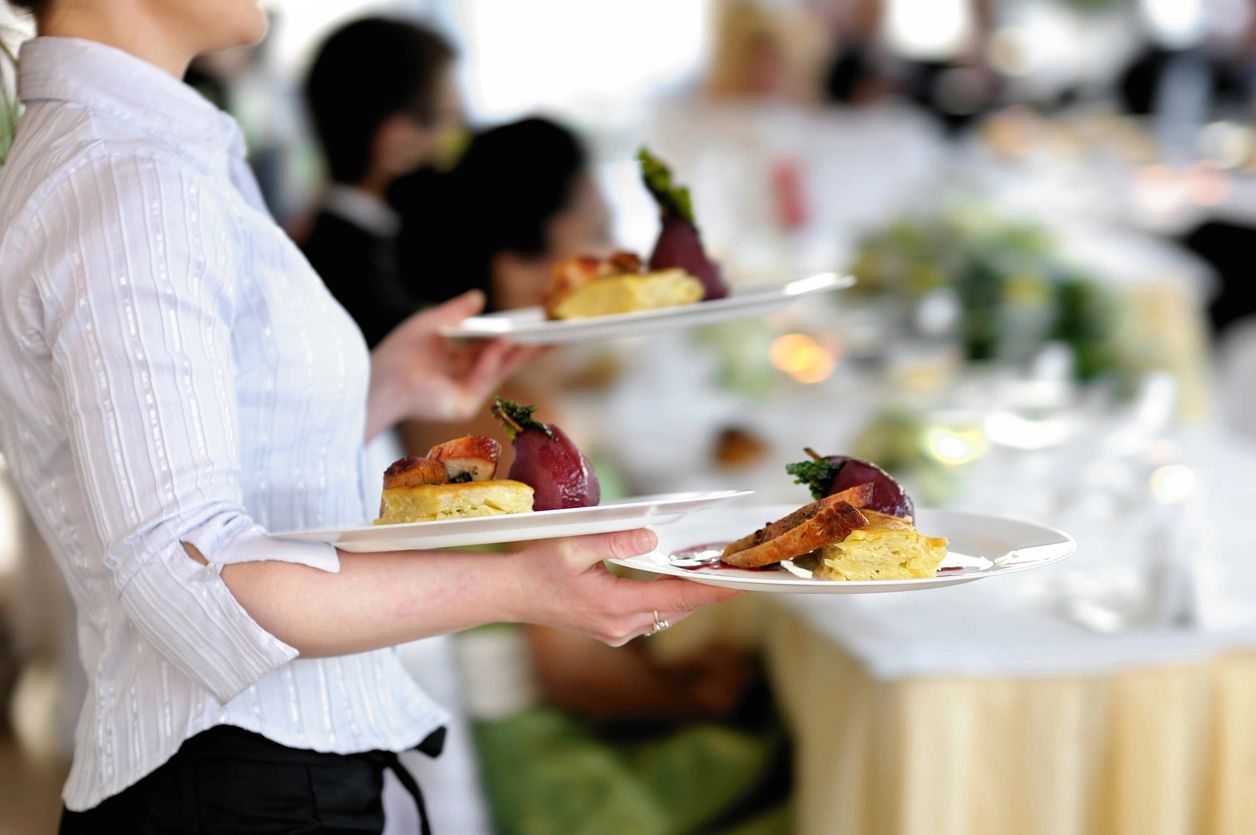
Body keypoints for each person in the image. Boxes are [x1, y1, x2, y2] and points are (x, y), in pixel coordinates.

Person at [0, 2, 738, 832]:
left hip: (255, 774)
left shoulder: (151, 152)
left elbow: (204, 477)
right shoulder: (129, 178)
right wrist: (517, 584)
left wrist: (377, 390)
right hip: (241, 790)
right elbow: (193, 577)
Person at [302, 17, 462, 349]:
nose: (458, 142)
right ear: (397, 141)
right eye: (449, 122)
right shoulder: (360, 276)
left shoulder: (323, 243)